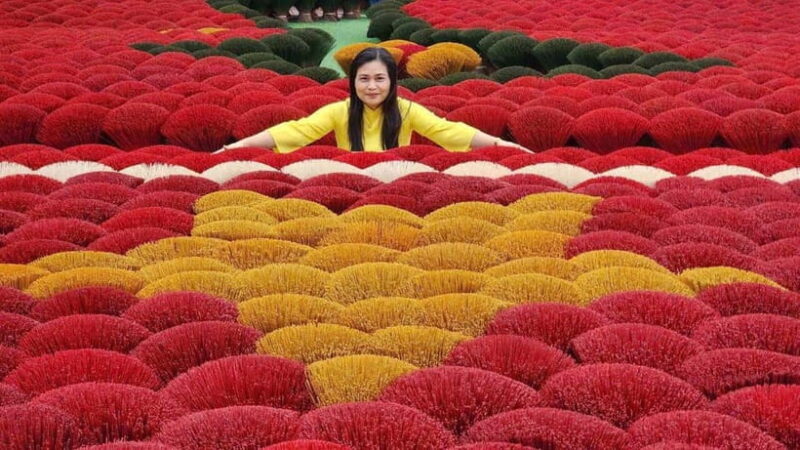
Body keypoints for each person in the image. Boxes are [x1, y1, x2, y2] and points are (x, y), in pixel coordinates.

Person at [220, 47, 532, 154]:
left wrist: (505, 146)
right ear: (353, 81)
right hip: (351, 187)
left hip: (399, 191)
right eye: (364, 79)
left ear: (393, 82)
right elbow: (294, 131)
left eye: (380, 79)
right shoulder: (338, 112)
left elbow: (451, 131)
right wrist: (236, 147)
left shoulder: (407, 110)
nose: (372, 87)